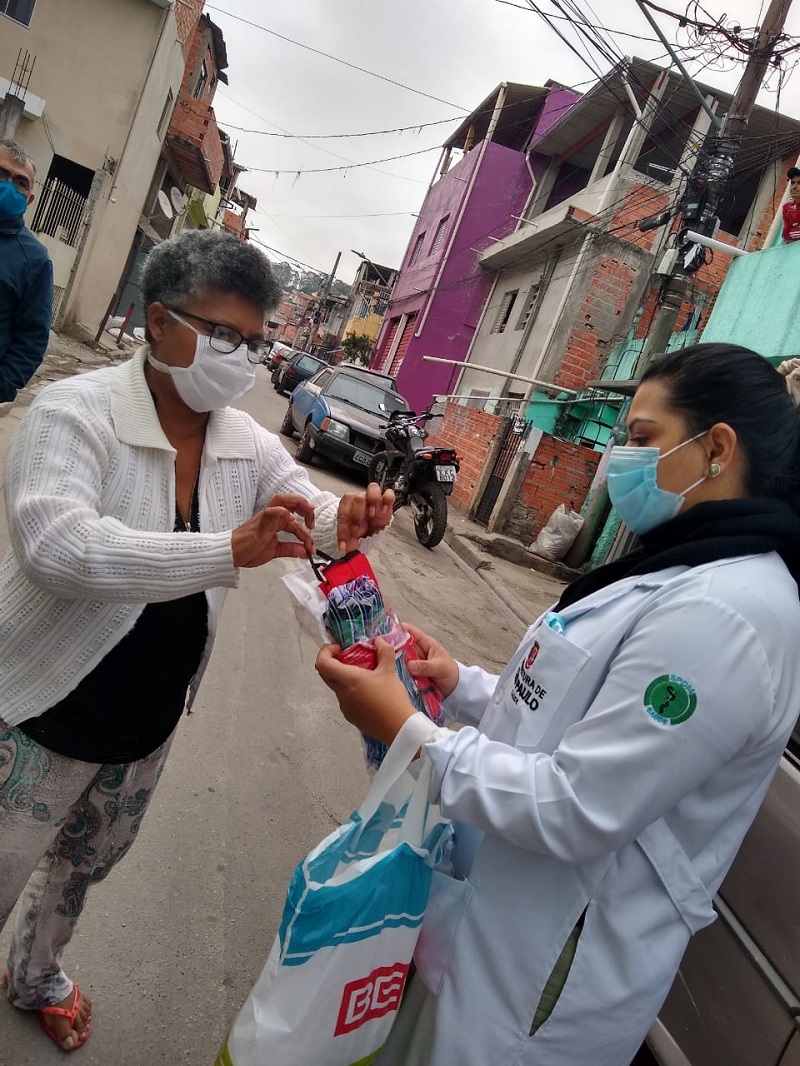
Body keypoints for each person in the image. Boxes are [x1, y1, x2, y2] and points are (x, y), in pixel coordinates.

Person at [317, 342, 800, 1066]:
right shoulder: (679, 569)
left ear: (717, 449)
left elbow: (580, 806)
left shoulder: (729, 614)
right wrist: (461, 686)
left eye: (642, 439)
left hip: (542, 976)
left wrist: (408, 729)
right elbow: (564, 714)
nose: (620, 458)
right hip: (490, 920)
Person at [0, 228, 393, 1053]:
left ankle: (35, 973)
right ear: (156, 320)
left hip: (144, 724)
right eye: (222, 334)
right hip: (40, 707)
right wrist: (226, 550)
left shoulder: (238, 439)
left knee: (82, 865)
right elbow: (55, 545)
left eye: (252, 341)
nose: (240, 357)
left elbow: (300, 505)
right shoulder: (76, 413)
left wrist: (340, 519)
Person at [0, 138, 53, 402]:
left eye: (20, 182)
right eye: (1, 173)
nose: (8, 185)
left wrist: (4, 384)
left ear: (29, 199)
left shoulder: (35, 260)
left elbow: (32, 339)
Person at [783, 166, 800, 242]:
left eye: (799, 183)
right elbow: (785, 234)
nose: (794, 187)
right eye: (792, 183)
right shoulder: (788, 206)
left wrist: (792, 230)